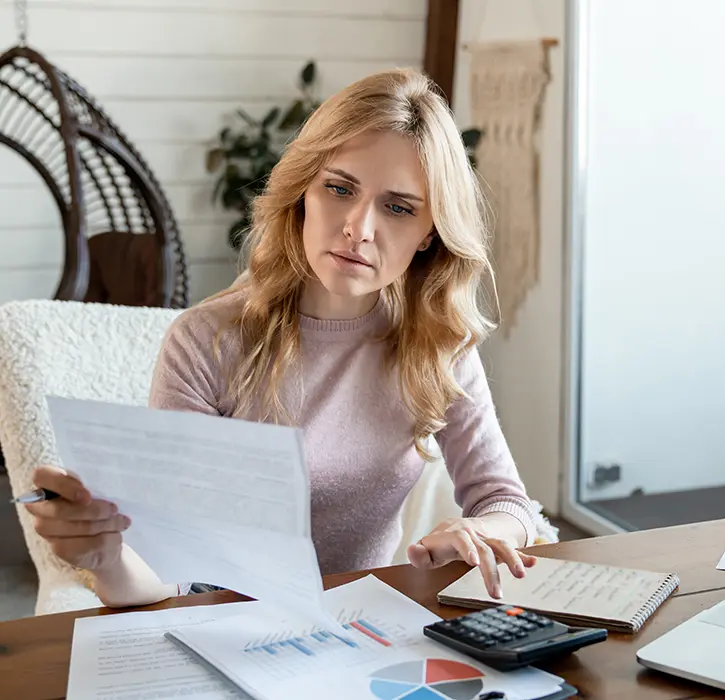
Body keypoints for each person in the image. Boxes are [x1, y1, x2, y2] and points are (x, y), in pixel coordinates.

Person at [25, 68, 539, 608]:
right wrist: (104, 556)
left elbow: (506, 501)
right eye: (339, 189)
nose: (359, 228)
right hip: (224, 624)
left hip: (366, 622)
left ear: (430, 230)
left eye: (398, 207)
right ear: (303, 194)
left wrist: (486, 534)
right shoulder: (204, 343)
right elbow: (169, 571)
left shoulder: (438, 341)